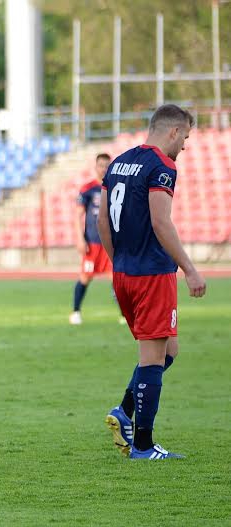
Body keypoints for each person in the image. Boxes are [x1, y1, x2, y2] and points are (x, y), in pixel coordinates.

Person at [98, 104, 206, 460]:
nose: (185, 146)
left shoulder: (118, 162)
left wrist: (119, 264)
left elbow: (102, 222)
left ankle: (124, 411)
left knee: (168, 351)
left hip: (125, 274)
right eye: (185, 137)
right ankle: (143, 445)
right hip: (153, 275)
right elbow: (161, 222)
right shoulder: (162, 166)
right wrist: (189, 269)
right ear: (173, 131)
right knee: (152, 358)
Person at [69, 153, 113, 325]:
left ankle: (125, 315)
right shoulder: (88, 188)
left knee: (116, 278)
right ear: (96, 167)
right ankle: (75, 311)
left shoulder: (116, 187)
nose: (104, 169)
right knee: (86, 277)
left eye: (107, 166)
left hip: (110, 244)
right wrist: (80, 239)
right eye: (101, 165)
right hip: (92, 243)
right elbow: (77, 216)